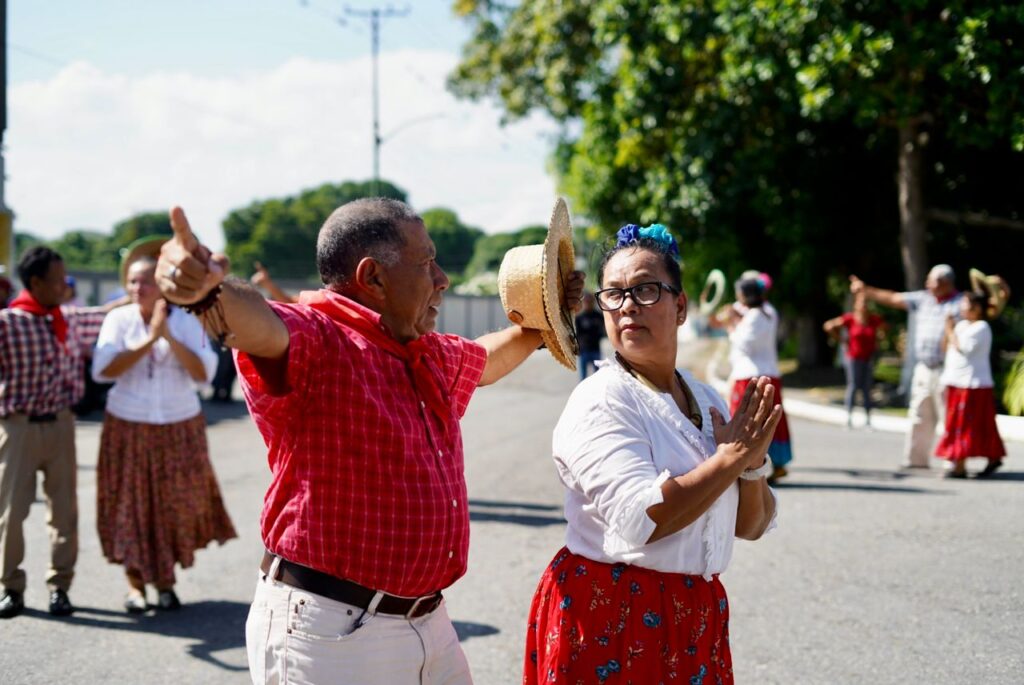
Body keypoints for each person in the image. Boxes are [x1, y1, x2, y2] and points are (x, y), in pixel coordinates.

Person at [155, 198, 584, 685]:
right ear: (373, 278)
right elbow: (258, 323)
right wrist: (207, 294)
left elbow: (484, 361)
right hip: (332, 635)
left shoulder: (418, 349)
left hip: (425, 624)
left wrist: (545, 318)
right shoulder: (318, 337)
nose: (441, 278)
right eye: (426, 263)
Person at [524, 223, 778, 684]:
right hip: (613, 615)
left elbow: (752, 526)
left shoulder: (708, 400)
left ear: (680, 306)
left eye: (644, 290)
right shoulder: (602, 400)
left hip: (694, 616)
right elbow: (642, 519)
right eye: (614, 294)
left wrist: (752, 466)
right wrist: (731, 457)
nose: (626, 307)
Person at [92, 251, 236, 612]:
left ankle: (166, 581)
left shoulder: (187, 320)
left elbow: (204, 376)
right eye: (133, 282)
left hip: (178, 423)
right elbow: (103, 371)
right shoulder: (118, 320)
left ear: (162, 287)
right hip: (128, 421)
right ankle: (136, 585)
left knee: (173, 506)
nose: (138, 288)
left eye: (146, 281)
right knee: (131, 505)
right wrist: (147, 340)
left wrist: (168, 336)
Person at [0, 247, 121, 619]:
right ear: (35, 283)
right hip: (18, 427)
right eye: (57, 280)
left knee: (64, 512)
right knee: (11, 513)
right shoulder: (8, 322)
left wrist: (150, 291)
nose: (64, 286)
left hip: (61, 424)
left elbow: (104, 315)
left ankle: (60, 586)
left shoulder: (67, 319)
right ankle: (10, 586)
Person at [850, 265, 963, 469]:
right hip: (924, 367)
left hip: (947, 368)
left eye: (932, 281)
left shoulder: (960, 303)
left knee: (948, 415)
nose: (927, 284)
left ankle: (952, 460)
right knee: (918, 414)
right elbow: (893, 298)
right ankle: (916, 459)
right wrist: (865, 290)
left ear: (946, 283)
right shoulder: (923, 298)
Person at [718, 273, 793, 482]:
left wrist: (731, 325)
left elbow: (743, 342)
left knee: (747, 419)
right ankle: (777, 463)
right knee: (771, 420)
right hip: (769, 373)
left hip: (749, 374)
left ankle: (748, 462)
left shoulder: (754, 316)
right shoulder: (768, 312)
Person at [934, 291, 1006, 478]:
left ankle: (959, 465)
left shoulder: (981, 327)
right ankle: (991, 457)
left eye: (965, 303)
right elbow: (947, 347)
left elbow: (963, 348)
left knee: (966, 426)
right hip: (956, 381)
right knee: (972, 425)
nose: (961, 306)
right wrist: (947, 329)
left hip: (972, 384)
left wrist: (950, 330)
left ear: (976, 307)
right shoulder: (961, 325)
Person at [823, 293, 887, 429]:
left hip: (868, 358)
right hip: (853, 357)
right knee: (853, 386)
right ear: (855, 305)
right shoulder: (850, 319)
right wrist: (841, 340)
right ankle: (849, 417)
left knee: (866, 388)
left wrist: (879, 340)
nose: (863, 306)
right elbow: (828, 326)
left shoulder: (873, 320)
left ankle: (868, 419)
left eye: (865, 303)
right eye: (861, 303)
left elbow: (884, 329)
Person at [574, 292, 605, 379]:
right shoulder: (580, 317)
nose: (588, 303)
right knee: (583, 376)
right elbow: (576, 334)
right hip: (584, 351)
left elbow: (603, 329)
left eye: (590, 301)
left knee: (598, 376)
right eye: (586, 301)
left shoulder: (598, 316)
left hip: (596, 349)